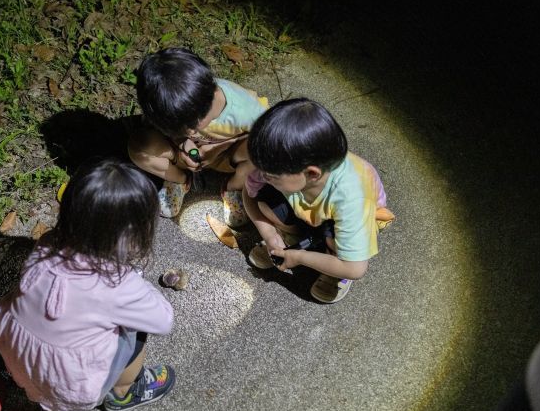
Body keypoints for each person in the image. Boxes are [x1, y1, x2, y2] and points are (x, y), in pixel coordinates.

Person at [0, 159, 176, 411]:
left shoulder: (47, 245)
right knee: (136, 330)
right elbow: (163, 320)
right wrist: (138, 280)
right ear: (131, 234)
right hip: (71, 388)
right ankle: (122, 393)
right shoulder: (118, 284)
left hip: (17, 356)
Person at [243, 98, 395, 303]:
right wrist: (270, 235)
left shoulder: (352, 198)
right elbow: (249, 193)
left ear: (312, 173)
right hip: (308, 207)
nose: (263, 175)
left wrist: (298, 257)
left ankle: (331, 264)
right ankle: (289, 237)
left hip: (341, 218)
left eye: (271, 176)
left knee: (335, 241)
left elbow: (356, 268)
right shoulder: (278, 163)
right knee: (265, 202)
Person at [129, 47, 269, 226]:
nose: (189, 132)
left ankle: (234, 187)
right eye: (178, 129)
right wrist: (182, 142)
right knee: (139, 147)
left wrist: (218, 147)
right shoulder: (169, 103)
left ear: (212, 97)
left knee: (261, 151)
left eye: (192, 127)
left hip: (228, 157)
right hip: (187, 154)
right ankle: (179, 180)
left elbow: (270, 138)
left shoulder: (246, 110)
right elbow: (169, 133)